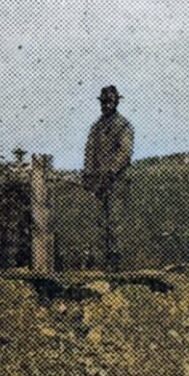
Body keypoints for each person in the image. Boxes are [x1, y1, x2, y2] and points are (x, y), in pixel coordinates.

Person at [82, 85, 134, 270]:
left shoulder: (124, 125)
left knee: (114, 222)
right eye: (104, 102)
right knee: (98, 223)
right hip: (99, 183)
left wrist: (111, 171)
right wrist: (88, 175)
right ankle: (99, 265)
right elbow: (89, 152)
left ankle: (115, 266)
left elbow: (125, 152)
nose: (107, 105)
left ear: (116, 102)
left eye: (110, 101)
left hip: (117, 182)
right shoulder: (95, 128)